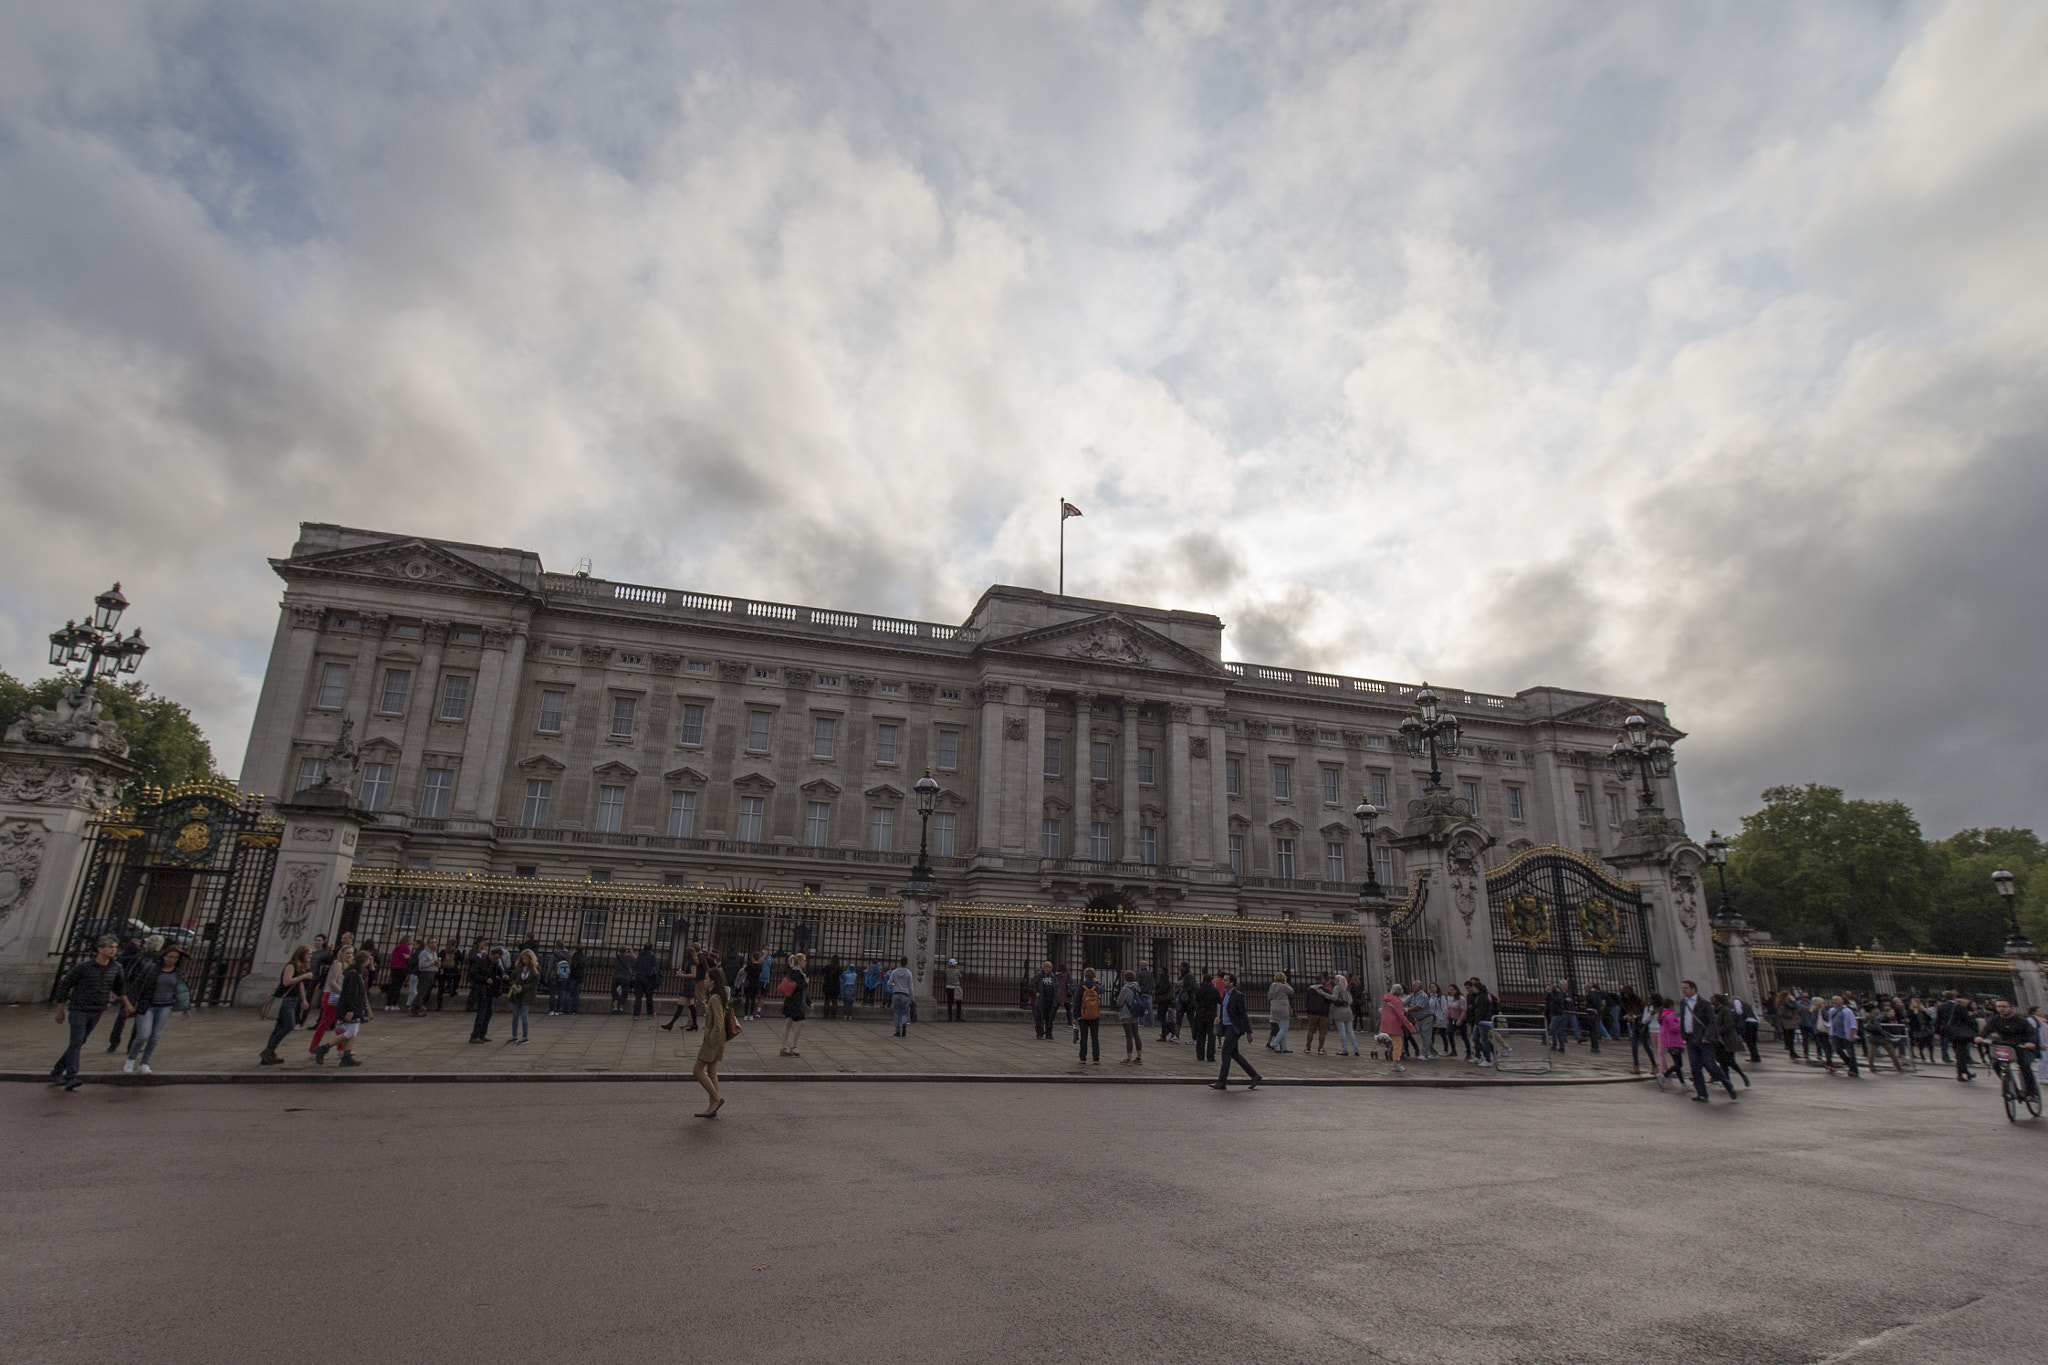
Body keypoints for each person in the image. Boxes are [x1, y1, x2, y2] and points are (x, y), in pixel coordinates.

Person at [51, 936, 127, 1090]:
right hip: (79, 1008)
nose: (113, 950)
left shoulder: (116, 968)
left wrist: (127, 1004)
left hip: (97, 1009)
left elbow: (120, 988)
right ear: (100, 949)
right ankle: (71, 1077)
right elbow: (65, 986)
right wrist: (60, 1010)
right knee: (77, 1040)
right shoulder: (84, 967)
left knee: (79, 1042)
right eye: (110, 947)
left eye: (115, 947)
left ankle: (57, 1071)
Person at [121, 943, 189, 1074]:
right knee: (143, 1035)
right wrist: (130, 1003)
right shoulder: (151, 969)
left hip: (165, 1007)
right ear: (163, 956)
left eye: (175, 958)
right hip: (148, 1005)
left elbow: (181, 990)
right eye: (170, 957)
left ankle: (144, 1063)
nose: (172, 960)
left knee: (155, 1036)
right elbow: (137, 985)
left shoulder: (179, 973)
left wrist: (185, 1005)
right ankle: (130, 1059)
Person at [1679, 981, 1736, 1101]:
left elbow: (1712, 1022)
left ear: (1693, 989)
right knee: (1695, 1067)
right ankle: (1702, 1093)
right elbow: (1683, 1020)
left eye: (1686, 988)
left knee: (1711, 1065)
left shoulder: (1704, 1004)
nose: (1684, 990)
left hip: (1703, 1039)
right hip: (1690, 1038)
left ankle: (1727, 1083)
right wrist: (1683, 1036)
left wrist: (1707, 1036)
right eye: (1683, 988)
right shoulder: (1683, 1003)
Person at [261, 945, 315, 1065]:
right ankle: (268, 1050)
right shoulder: (291, 965)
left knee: (279, 1027)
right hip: (285, 999)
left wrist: (304, 1000)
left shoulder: (301, 967)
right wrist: (304, 976)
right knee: (289, 1025)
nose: (310, 956)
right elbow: (286, 981)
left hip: (294, 999)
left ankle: (270, 1052)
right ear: (301, 954)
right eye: (308, 954)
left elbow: (299, 984)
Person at [1210, 973, 1263, 1090]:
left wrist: (1249, 1032)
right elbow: (1224, 1009)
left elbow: (1243, 1014)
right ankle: (1255, 1075)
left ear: (1232, 983)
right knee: (1234, 1054)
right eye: (1223, 980)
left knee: (1225, 1052)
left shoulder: (1237, 995)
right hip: (1227, 1026)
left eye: (1226, 980)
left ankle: (1221, 1081)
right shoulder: (1224, 994)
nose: (1223, 982)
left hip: (1234, 1028)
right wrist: (1219, 1018)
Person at [308, 931, 354, 1062]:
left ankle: (341, 1049)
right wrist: (342, 993)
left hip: (336, 997)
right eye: (347, 953)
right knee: (324, 1024)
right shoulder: (338, 964)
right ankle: (313, 1050)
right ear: (342, 954)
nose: (350, 956)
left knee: (339, 1023)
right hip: (331, 997)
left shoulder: (346, 965)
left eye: (351, 953)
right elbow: (332, 982)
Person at [694, 967, 732, 1118]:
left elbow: (718, 1022)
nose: (704, 981)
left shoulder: (715, 998)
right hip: (719, 1039)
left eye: (707, 978)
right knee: (711, 1071)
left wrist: (710, 1039)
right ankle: (712, 1106)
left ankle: (716, 1099)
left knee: (697, 1070)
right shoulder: (718, 996)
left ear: (713, 981)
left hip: (714, 1040)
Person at [103, 933, 150, 1053]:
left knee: (122, 1016)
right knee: (138, 1017)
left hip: (129, 988)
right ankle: (132, 1045)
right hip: (140, 990)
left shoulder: (134, 955)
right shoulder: (144, 957)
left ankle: (114, 1043)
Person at [332, 950, 370, 1067]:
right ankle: (324, 1047)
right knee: (350, 1032)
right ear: (364, 961)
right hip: (352, 1008)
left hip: (355, 1007)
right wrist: (352, 1009)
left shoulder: (357, 973)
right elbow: (352, 993)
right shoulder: (353, 974)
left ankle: (346, 1056)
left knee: (353, 1032)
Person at [1710, 992, 1751, 1089]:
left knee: (1730, 1061)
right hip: (1719, 1041)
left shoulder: (1725, 1011)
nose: (1711, 1000)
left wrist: (1717, 1031)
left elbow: (1729, 1025)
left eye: (1713, 998)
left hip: (1728, 1040)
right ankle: (1726, 1080)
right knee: (1722, 1061)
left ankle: (1742, 1075)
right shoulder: (1713, 1011)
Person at [1936, 992, 1977, 1081]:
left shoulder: (1941, 1007)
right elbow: (1968, 1020)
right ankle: (1960, 1074)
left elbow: (1938, 1021)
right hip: (1960, 1032)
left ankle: (1965, 1072)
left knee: (1958, 1052)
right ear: (1954, 997)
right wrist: (1974, 1031)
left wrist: (1937, 1032)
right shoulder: (1959, 1007)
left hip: (1949, 1032)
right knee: (1961, 1053)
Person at [468, 939, 502, 1043]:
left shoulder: (495, 964)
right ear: (491, 955)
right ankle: (475, 1035)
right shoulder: (482, 961)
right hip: (481, 989)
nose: (496, 961)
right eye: (495, 958)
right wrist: (485, 979)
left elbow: (499, 971)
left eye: (497, 959)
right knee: (481, 1013)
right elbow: (473, 974)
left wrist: (503, 975)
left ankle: (482, 1034)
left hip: (489, 991)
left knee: (488, 1013)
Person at [1379, 986, 1416, 1073]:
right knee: (1398, 1044)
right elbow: (1401, 1015)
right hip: (1394, 1023)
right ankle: (1396, 1063)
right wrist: (1410, 1027)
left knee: (1394, 1043)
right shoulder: (1396, 1001)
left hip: (1386, 1022)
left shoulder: (1387, 1000)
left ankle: (1395, 1062)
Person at [1112, 969, 1146, 1064]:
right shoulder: (1137, 987)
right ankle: (1139, 1057)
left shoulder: (1125, 989)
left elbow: (1119, 1002)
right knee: (1136, 1035)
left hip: (1126, 1013)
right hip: (1135, 1013)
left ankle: (1129, 1058)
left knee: (1129, 1036)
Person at [779, 952, 809, 1056]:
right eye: (804, 961)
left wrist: (808, 1002)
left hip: (790, 1000)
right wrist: (806, 983)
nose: (805, 963)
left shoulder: (792, 972)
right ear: (800, 962)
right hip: (796, 1002)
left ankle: (784, 1046)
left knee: (788, 1022)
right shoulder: (797, 974)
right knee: (801, 1022)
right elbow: (799, 988)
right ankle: (794, 1046)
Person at [1823, 994, 1861, 1078]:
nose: (1835, 1002)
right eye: (1834, 1000)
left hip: (1846, 1035)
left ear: (1842, 1001)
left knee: (1851, 1052)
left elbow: (1853, 1024)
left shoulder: (1847, 1011)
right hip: (1836, 1035)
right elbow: (1830, 1022)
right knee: (1837, 1049)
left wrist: (1852, 1034)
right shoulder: (1832, 1010)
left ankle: (1854, 1070)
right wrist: (1831, 1033)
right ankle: (1849, 1063)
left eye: (1837, 1000)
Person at [507, 949, 540, 1044]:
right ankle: (514, 1035)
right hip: (516, 994)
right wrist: (513, 984)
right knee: (515, 1015)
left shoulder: (535, 968)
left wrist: (523, 987)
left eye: (526, 959)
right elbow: (513, 978)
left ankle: (525, 1036)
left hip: (527, 995)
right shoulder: (519, 967)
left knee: (524, 1015)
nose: (524, 961)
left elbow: (534, 983)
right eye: (522, 959)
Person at [1074, 966, 1105, 1064]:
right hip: (1095, 1015)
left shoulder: (1081, 986)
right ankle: (1096, 1058)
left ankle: (1083, 1058)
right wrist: (1097, 982)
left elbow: (1077, 1001)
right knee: (1095, 1037)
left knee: (1084, 1037)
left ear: (1085, 976)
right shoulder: (1096, 986)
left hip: (1083, 1014)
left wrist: (1075, 1015)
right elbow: (1103, 990)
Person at [1466, 979, 1498, 1067]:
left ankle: (1488, 1059)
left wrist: (1477, 1022)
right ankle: (1485, 1055)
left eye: (1473, 987)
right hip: (1480, 1021)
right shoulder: (1479, 996)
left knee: (1484, 1040)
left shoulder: (1483, 997)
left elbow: (1480, 1011)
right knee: (1476, 1039)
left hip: (1483, 1021)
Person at [1192, 970, 1221, 1064]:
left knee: (1201, 1036)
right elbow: (1219, 1001)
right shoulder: (1214, 991)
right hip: (1211, 1015)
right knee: (1211, 1037)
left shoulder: (1199, 990)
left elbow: (1196, 1000)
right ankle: (1210, 1056)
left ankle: (1200, 1055)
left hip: (1201, 1015)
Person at [1328, 974, 1358, 1056]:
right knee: (1351, 1031)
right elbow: (1350, 1000)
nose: (1334, 980)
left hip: (1340, 1012)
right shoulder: (1346, 989)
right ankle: (1356, 1049)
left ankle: (1344, 1049)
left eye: (1335, 979)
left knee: (1342, 1032)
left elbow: (1334, 998)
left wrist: (1324, 994)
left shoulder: (1337, 988)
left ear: (1338, 981)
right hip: (1348, 1011)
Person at [1657, 994, 1686, 1081]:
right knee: (1678, 1064)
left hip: (1669, 1042)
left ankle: (1683, 1083)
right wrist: (1681, 1025)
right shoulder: (1670, 1015)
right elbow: (1674, 1028)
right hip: (1674, 1042)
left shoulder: (1663, 1015)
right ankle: (1664, 1075)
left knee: (1677, 1064)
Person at [1301, 972, 1331, 1054]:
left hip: (1313, 1013)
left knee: (1311, 1030)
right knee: (1322, 1032)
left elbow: (1307, 1001)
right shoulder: (1325, 990)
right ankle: (1320, 1048)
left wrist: (1308, 1011)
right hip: (1323, 1013)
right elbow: (1329, 1001)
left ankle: (1308, 1047)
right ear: (1321, 980)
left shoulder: (1310, 990)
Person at [409, 938, 439, 1016]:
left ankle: (417, 1008)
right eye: (431, 942)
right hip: (425, 973)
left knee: (425, 992)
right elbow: (421, 965)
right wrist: (433, 962)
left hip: (432, 972)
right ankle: (414, 1009)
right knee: (421, 992)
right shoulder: (424, 953)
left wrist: (438, 965)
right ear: (428, 944)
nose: (433, 944)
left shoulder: (434, 953)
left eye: (435, 942)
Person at [886, 956, 914, 1037]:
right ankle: (904, 1023)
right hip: (905, 994)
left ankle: (898, 1031)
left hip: (896, 993)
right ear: (906, 963)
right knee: (905, 1012)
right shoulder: (908, 973)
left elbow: (889, 983)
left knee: (896, 1013)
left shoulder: (894, 972)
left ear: (900, 962)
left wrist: (893, 985)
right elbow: (910, 986)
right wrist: (912, 997)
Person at [1266, 972, 1293, 1052]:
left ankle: (1284, 1047)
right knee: (1284, 1028)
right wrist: (1286, 983)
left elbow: (1269, 997)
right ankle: (1274, 1044)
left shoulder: (1272, 986)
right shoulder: (1284, 986)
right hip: (1282, 1007)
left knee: (1281, 1028)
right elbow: (1291, 991)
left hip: (1274, 1006)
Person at [384, 936, 413, 1011]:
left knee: (393, 985)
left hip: (394, 967)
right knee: (398, 987)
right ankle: (394, 1004)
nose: (410, 942)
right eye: (409, 940)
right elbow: (407, 959)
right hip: (402, 968)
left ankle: (388, 1004)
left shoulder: (397, 947)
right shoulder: (406, 948)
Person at [632, 944, 661, 1020]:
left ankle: (636, 1014)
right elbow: (656, 967)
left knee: (638, 997)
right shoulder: (652, 956)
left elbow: (636, 966)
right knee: (649, 997)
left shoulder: (640, 956)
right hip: (648, 978)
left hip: (639, 977)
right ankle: (650, 1013)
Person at [1031, 960, 1058, 1040]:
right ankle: (1040, 1033)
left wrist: (1056, 996)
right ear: (1046, 967)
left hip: (1050, 1000)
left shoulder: (1052, 976)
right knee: (1040, 1018)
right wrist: (1036, 992)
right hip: (1042, 1000)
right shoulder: (1039, 975)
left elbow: (1056, 986)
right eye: (1050, 967)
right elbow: (1032, 984)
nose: (1051, 969)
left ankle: (1049, 1033)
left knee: (1049, 1019)